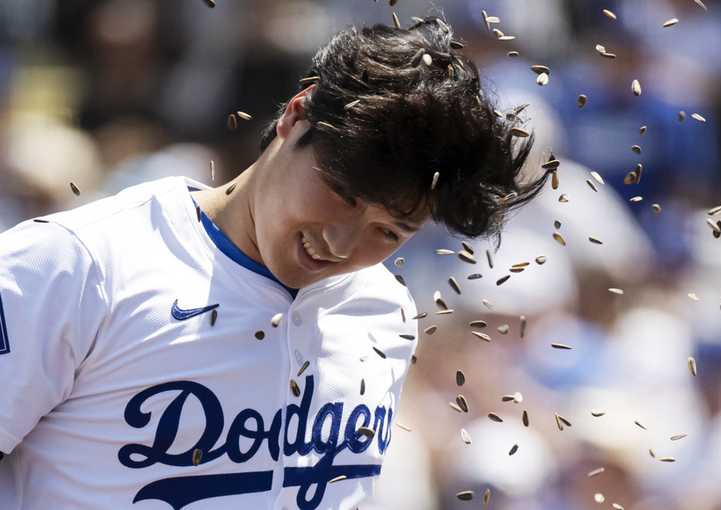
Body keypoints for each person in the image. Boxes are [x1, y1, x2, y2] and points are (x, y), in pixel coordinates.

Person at [0, 17, 546, 509]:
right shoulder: (77, 264)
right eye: (341, 193)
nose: (339, 243)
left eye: (387, 231)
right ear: (296, 115)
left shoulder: (385, 312)